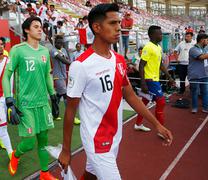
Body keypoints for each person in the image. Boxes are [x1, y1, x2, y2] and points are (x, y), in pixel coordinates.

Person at [58, 4, 173, 179]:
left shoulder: (119, 60)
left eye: (119, 22)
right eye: (113, 23)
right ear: (97, 27)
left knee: (91, 175)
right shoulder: (80, 65)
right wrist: (66, 150)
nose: (119, 27)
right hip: (97, 140)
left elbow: (131, 96)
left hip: (114, 136)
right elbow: (70, 110)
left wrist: (156, 124)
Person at [2, 16, 59, 179]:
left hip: (43, 103)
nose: (40, 29)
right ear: (27, 30)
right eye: (36, 26)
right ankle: (15, 155)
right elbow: (6, 77)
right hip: (25, 104)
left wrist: (53, 96)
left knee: (43, 141)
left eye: (41, 26)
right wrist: (9, 101)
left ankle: (44, 173)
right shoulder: (17, 50)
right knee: (28, 143)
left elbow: (48, 75)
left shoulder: (44, 51)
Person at [136, 25, 175, 133]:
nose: (161, 35)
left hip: (155, 78)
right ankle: (161, 129)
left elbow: (160, 65)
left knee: (144, 102)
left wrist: (169, 77)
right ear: (152, 35)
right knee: (161, 102)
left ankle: (138, 124)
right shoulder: (148, 47)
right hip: (150, 79)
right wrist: (143, 82)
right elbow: (141, 65)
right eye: (159, 33)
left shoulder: (158, 47)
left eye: (161, 33)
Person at [50, 35, 80, 125]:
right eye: (58, 42)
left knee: (58, 96)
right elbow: (62, 59)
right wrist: (73, 64)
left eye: (61, 42)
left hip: (64, 75)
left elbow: (66, 58)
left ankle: (54, 115)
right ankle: (72, 117)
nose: (59, 44)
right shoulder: (53, 51)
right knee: (66, 96)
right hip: (57, 76)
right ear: (55, 43)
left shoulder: (63, 50)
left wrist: (70, 62)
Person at [188, 33, 208, 114]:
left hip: (205, 74)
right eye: (207, 40)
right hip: (195, 75)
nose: (207, 42)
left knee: (205, 92)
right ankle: (195, 107)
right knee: (194, 92)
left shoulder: (205, 49)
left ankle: (205, 108)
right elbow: (201, 57)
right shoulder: (193, 49)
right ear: (202, 40)